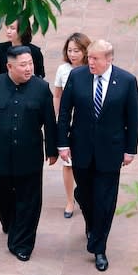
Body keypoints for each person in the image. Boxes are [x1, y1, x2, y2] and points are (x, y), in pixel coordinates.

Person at [0, 46, 58, 262]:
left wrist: (52, 150)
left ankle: (22, 244)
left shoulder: (41, 88)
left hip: (30, 157)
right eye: (23, 65)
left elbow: (50, 124)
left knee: (29, 201)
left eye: (31, 64)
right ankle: (10, 221)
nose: (28, 68)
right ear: (9, 66)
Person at [57, 39, 138, 271]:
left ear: (109, 59)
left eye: (95, 58)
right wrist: (62, 144)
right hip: (81, 149)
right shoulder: (77, 76)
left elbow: (133, 119)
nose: (90, 62)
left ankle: (99, 247)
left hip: (110, 153)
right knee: (85, 195)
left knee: (105, 202)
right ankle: (91, 222)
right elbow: (65, 112)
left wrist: (130, 149)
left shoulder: (126, 81)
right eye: (89, 57)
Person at [53, 32, 91, 218]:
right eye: (70, 50)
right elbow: (57, 95)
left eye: (77, 50)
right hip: (67, 123)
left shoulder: (93, 68)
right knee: (68, 163)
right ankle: (70, 200)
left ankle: (85, 196)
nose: (73, 54)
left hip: (86, 124)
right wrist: (58, 117)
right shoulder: (63, 70)